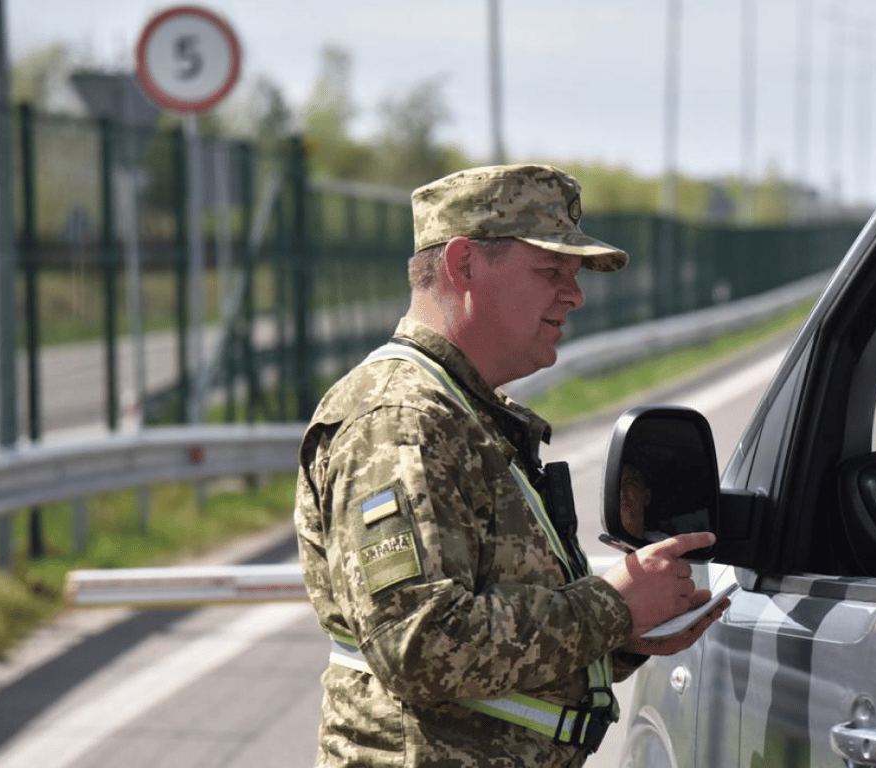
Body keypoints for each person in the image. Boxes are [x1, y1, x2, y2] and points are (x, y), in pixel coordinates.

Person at [294, 163, 727, 767]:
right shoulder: (400, 418)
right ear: (464, 264)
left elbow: (501, 622)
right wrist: (611, 605)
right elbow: (418, 643)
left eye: (573, 276)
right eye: (552, 271)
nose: (574, 294)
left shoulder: (463, 412)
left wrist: (624, 630)